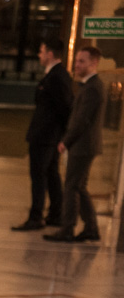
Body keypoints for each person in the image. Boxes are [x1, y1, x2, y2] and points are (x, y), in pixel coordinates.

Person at [45, 46, 105, 243]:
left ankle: (67, 228)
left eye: (81, 61)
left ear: (94, 63)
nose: (76, 65)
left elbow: (82, 120)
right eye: (77, 60)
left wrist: (66, 141)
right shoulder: (89, 86)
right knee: (79, 186)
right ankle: (91, 228)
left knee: (71, 186)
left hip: (82, 145)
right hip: (84, 144)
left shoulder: (93, 88)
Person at [13, 39, 73, 231]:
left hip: (46, 135)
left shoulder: (57, 77)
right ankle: (56, 213)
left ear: (50, 54)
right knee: (51, 173)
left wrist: (60, 134)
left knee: (39, 175)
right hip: (49, 135)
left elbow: (64, 107)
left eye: (41, 51)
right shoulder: (54, 75)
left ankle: (36, 216)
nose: (39, 55)